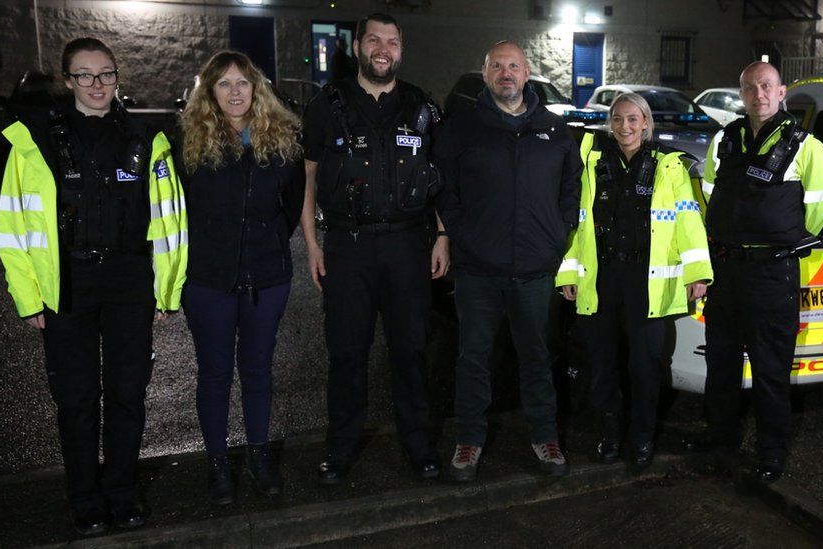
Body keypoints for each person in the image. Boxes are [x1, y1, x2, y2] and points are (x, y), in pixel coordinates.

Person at [0, 37, 187, 535]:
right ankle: (85, 498)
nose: (97, 85)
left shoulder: (148, 138)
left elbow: (170, 218)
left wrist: (167, 289)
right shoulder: (34, 138)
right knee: (77, 399)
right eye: (85, 75)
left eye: (106, 74)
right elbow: (15, 224)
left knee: (127, 393)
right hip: (68, 284)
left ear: (117, 78)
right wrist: (27, 294)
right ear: (67, 80)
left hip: (129, 282)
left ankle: (122, 493)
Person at [300, 12, 448, 485]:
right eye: (374, 40)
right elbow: (307, 177)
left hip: (408, 245)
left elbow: (440, 179)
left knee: (410, 352)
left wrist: (442, 234)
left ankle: (419, 446)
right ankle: (340, 451)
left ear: (400, 50)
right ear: (359, 46)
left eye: (392, 41)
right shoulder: (328, 104)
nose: (383, 49)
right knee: (347, 354)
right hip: (349, 245)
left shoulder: (422, 107)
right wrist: (310, 243)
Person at [434, 41, 582, 482]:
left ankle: (544, 436)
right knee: (473, 358)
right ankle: (469, 441)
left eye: (513, 66)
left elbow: (570, 187)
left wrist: (557, 235)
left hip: (535, 269)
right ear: (485, 74)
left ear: (527, 72)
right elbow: (445, 189)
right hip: (479, 270)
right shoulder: (462, 128)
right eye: (497, 66)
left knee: (537, 357)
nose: (506, 73)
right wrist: (460, 234)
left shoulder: (553, 130)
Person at [684, 61, 823, 482]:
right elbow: (711, 196)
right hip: (728, 270)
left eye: (766, 86)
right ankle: (720, 437)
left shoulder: (807, 146)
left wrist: (777, 239)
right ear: (741, 93)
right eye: (750, 87)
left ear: (782, 91)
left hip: (773, 274)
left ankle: (771, 453)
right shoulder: (724, 140)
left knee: (771, 371)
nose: (759, 94)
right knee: (722, 363)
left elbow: (819, 211)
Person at [556, 93, 712, 470]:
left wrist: (697, 273)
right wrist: (566, 271)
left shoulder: (669, 166)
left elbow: (689, 222)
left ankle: (641, 439)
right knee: (602, 365)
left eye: (632, 119)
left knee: (645, 368)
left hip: (648, 284)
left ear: (645, 123)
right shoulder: (591, 161)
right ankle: (610, 435)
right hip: (601, 279)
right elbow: (575, 221)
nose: (624, 126)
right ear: (611, 122)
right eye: (617, 119)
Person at [177, 51, 305, 504]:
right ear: (209, 92)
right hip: (208, 279)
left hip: (267, 278)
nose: (236, 92)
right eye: (225, 83)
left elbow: (291, 206)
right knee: (214, 374)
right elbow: (179, 210)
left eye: (243, 83)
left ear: (258, 88)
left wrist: (265, 242)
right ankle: (218, 465)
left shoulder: (283, 139)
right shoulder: (189, 141)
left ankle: (257, 455)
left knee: (257, 371)